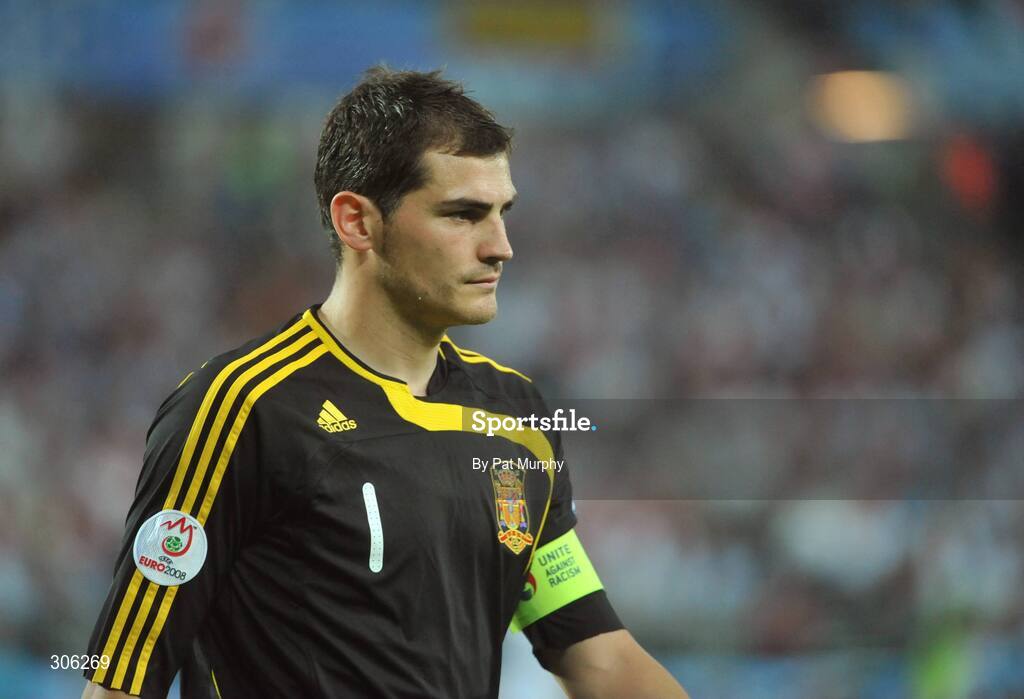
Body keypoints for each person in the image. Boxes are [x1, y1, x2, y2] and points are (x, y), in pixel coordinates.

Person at [82, 67, 688, 699]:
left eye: (502, 213)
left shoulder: (516, 419)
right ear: (358, 223)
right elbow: (123, 680)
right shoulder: (242, 410)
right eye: (463, 215)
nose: (501, 246)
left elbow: (599, 658)